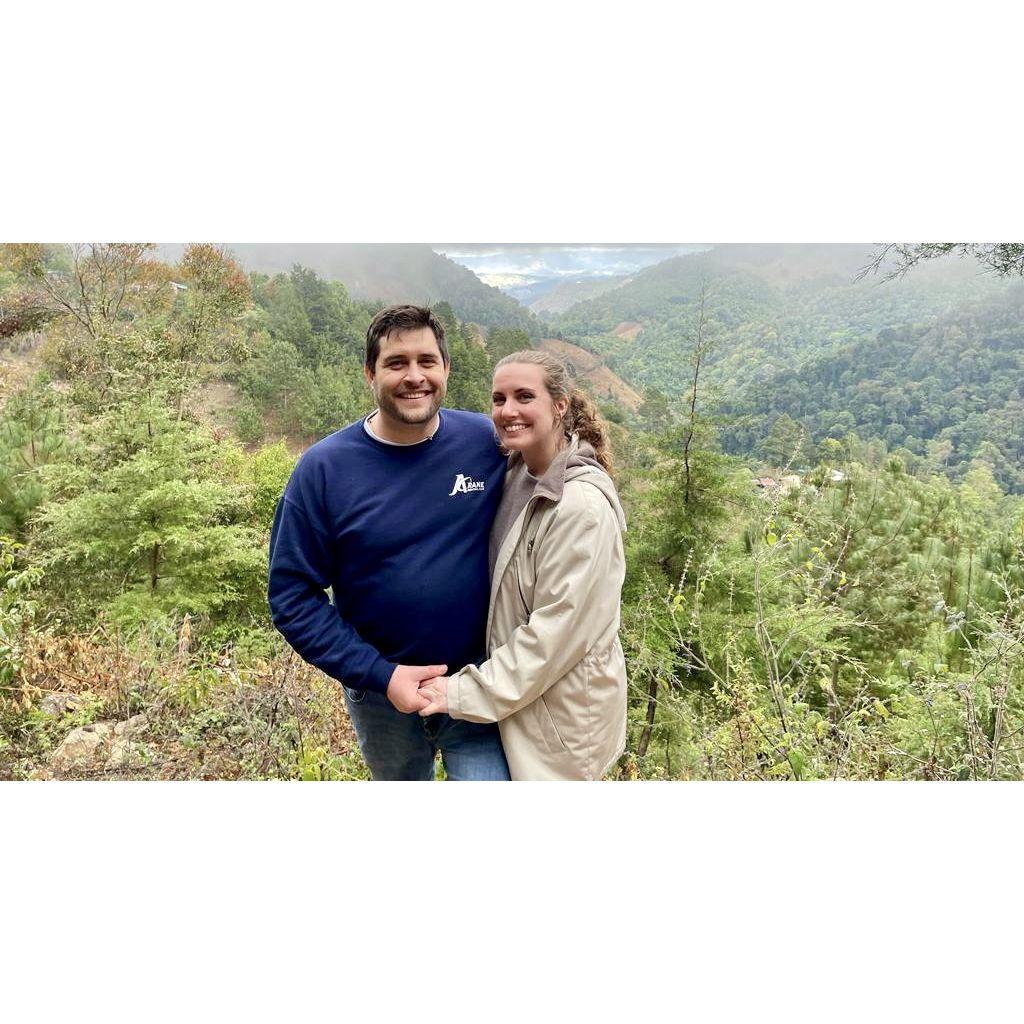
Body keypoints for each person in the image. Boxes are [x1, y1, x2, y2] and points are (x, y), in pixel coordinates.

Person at [267, 304, 510, 780]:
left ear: (446, 369)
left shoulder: (485, 442)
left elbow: (552, 461)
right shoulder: (323, 470)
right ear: (369, 374)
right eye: (396, 363)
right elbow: (291, 596)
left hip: (478, 685)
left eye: (426, 361)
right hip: (382, 699)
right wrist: (383, 675)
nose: (413, 376)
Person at [417, 350, 628, 781]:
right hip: (517, 703)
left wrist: (460, 691)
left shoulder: (581, 509)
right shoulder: (516, 470)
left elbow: (553, 636)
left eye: (524, 396)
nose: (508, 411)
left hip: (559, 723)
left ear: (559, 405)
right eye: (499, 399)